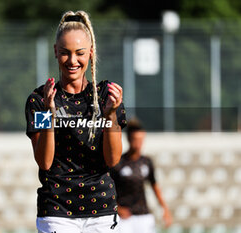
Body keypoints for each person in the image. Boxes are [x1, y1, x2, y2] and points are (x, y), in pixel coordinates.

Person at [25, 10, 126, 233]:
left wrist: (110, 115)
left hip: (101, 209)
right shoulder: (40, 99)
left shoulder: (106, 96)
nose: (72, 61)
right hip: (57, 210)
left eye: (79, 53)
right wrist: (50, 113)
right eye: (65, 53)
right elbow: (45, 162)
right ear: (55, 52)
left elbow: (113, 159)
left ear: (90, 53)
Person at [110, 119, 173, 233]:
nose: (139, 144)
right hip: (125, 217)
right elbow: (109, 189)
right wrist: (118, 208)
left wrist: (165, 209)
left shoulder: (146, 162)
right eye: (136, 140)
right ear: (129, 139)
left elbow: (154, 185)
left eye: (141, 140)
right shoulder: (119, 163)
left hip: (144, 215)